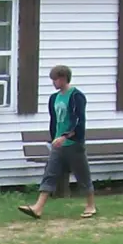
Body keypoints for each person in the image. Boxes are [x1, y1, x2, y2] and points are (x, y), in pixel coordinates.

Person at [18, 64, 97, 221]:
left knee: (82, 175)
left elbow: (79, 121)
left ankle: (91, 205)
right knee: (50, 173)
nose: (54, 83)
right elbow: (54, 121)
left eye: (55, 79)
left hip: (74, 144)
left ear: (63, 79)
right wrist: (53, 138)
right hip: (58, 144)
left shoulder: (76, 96)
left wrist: (66, 136)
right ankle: (38, 208)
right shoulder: (54, 98)